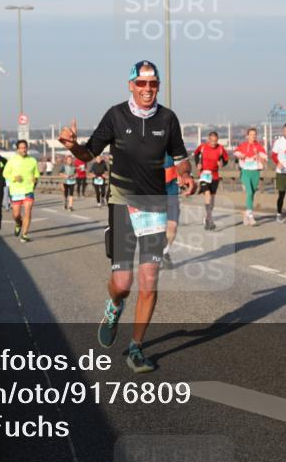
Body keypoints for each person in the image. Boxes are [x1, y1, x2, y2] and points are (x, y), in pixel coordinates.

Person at [58, 60, 195, 373]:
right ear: (131, 85)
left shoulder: (167, 118)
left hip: (155, 205)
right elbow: (89, 154)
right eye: (142, 84)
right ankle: (114, 306)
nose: (148, 89)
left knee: (149, 282)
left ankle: (136, 347)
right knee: (123, 283)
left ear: (158, 86)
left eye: (153, 84)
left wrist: (186, 175)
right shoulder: (115, 115)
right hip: (122, 202)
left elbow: (180, 158)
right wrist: (72, 146)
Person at [3, 139, 40, 243]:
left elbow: (36, 174)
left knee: (28, 211)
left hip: (28, 190)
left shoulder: (32, 160)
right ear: (17, 149)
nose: (24, 149)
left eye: (25, 147)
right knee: (16, 215)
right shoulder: (12, 160)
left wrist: (35, 179)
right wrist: (14, 178)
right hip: (15, 191)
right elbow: (5, 174)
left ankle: (24, 235)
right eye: (21, 148)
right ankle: (18, 223)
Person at [193, 131, 229, 231]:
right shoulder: (202, 147)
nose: (214, 143)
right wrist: (197, 164)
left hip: (214, 176)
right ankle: (210, 220)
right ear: (209, 140)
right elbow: (195, 154)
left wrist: (222, 164)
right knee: (207, 195)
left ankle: (207, 217)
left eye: (215, 141)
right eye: (212, 141)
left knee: (212, 200)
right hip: (204, 174)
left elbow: (226, 160)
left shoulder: (220, 148)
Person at [234, 127, 268, 225]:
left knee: (252, 193)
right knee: (249, 192)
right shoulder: (243, 145)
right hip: (245, 172)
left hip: (255, 172)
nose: (253, 136)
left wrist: (259, 157)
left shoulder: (259, 146)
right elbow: (236, 152)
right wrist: (242, 156)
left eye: (254, 134)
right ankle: (251, 216)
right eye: (251, 134)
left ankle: (246, 213)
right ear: (247, 136)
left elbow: (265, 159)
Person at [162, 153, 180, 268]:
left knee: (172, 226)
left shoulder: (175, 152)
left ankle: (165, 252)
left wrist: (186, 177)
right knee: (157, 229)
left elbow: (183, 167)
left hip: (171, 194)